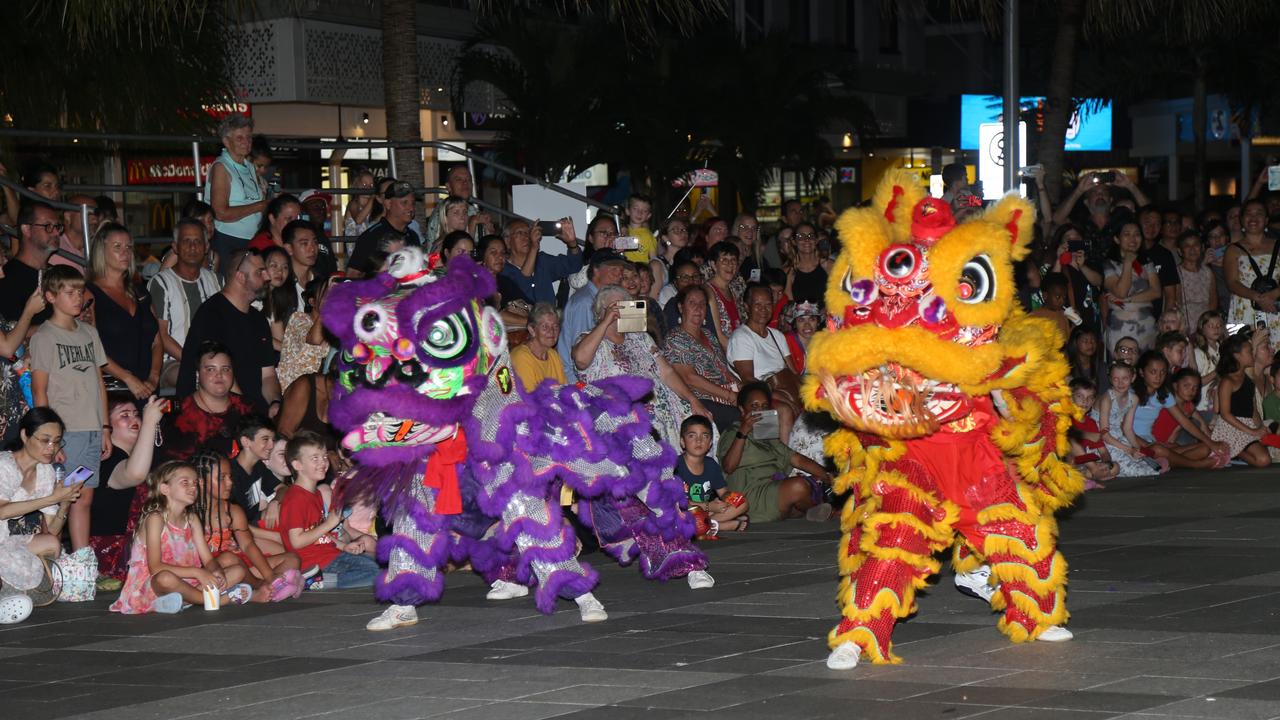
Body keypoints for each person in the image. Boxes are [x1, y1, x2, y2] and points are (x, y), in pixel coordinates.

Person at [28, 265, 110, 552]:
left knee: (83, 496)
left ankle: (81, 560)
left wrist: (105, 427)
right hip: (67, 430)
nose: (78, 297)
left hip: (90, 429)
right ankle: (53, 557)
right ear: (50, 296)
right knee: (61, 497)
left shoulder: (89, 333)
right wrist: (51, 438)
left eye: (80, 291)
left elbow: (99, 382)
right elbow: (39, 390)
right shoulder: (44, 337)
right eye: (70, 292)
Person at [572, 285, 710, 447]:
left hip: (662, 404)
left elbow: (666, 372)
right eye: (615, 307)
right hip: (623, 412)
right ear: (601, 311)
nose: (620, 311)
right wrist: (606, 322)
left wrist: (692, 399)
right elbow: (580, 360)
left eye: (625, 306)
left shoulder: (640, 337)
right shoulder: (590, 338)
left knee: (701, 421)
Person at [109, 461, 254, 614]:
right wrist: (198, 572)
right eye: (185, 482)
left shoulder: (192, 519)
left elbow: (208, 560)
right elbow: (155, 567)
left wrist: (216, 571)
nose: (193, 487)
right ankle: (213, 599)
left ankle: (180, 601)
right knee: (165, 578)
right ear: (165, 489)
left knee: (238, 570)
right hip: (152, 585)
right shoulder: (155, 518)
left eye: (195, 483)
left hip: (187, 582)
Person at [0, 409, 82, 625]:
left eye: (56, 442)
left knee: (52, 543)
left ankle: (12, 595)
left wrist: (64, 502)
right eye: (45, 440)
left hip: (6, 539)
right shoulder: (4, 465)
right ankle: (7, 598)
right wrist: (49, 499)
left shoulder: (45, 471)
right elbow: (1, 511)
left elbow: (53, 530)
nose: (51, 448)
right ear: (25, 435)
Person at [177, 249, 280, 415]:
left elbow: (268, 375)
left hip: (251, 411)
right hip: (214, 412)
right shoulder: (212, 315)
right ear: (240, 277)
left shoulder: (258, 319)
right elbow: (220, 378)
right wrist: (251, 415)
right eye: (260, 272)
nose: (268, 277)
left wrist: (275, 403)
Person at [192, 449, 301, 602]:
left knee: (292, 559)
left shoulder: (233, 511)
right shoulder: (190, 513)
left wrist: (269, 574)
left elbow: (248, 545)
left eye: (230, 477)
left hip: (239, 566)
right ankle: (264, 586)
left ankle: (267, 585)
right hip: (212, 570)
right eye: (222, 478)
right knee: (230, 559)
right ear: (201, 482)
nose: (229, 483)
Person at [277, 432, 380, 589]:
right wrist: (330, 523)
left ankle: (320, 579)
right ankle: (314, 581)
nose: (323, 462)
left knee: (375, 563)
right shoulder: (296, 498)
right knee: (374, 572)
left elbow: (320, 535)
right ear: (297, 465)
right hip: (314, 561)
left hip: (328, 555)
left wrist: (343, 546)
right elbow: (297, 541)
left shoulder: (315, 494)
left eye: (324, 457)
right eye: (315, 458)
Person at [718, 383, 832, 523]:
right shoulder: (733, 432)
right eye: (754, 406)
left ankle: (808, 509)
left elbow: (796, 459)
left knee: (813, 480)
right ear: (742, 410)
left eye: (764, 407)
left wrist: (827, 476)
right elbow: (728, 467)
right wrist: (743, 431)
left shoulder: (767, 435)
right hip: (749, 495)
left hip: (773, 487)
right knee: (798, 486)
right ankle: (818, 510)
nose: (760, 411)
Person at [89, 396, 164, 585]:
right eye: (124, 415)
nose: (134, 419)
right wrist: (149, 423)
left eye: (136, 415)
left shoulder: (145, 457)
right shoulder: (105, 459)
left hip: (140, 546)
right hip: (113, 553)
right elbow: (134, 474)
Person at [86, 223, 161, 399]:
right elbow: (91, 348)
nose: (125, 252)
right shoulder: (89, 293)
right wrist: (127, 377)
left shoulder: (141, 291)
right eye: (117, 247)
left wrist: (154, 376)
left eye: (128, 247)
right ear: (101, 251)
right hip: (112, 389)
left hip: (147, 386)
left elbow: (157, 341)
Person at [150, 218, 222, 391]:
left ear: (206, 247)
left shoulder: (216, 281)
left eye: (197, 241)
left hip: (214, 360)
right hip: (174, 361)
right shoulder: (161, 283)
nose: (192, 247)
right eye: (186, 241)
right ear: (175, 247)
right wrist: (195, 362)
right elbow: (161, 335)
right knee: (193, 377)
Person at [1126, 351, 1225, 469]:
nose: (1158, 377)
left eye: (1162, 372)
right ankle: (1196, 465)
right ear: (1142, 372)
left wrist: (1211, 443)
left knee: (1204, 448)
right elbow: (1122, 428)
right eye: (1153, 372)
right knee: (1159, 449)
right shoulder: (1130, 394)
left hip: (1152, 443)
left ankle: (1167, 462)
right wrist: (1147, 444)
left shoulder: (1163, 395)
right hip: (1131, 442)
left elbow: (1185, 422)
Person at [159, 341, 255, 463]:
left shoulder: (247, 408)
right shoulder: (176, 412)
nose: (219, 375)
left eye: (225, 369)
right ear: (198, 374)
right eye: (211, 369)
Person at [662, 285, 741, 432]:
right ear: (681, 307)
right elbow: (689, 378)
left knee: (762, 405)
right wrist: (730, 396)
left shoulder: (709, 335)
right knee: (741, 417)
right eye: (692, 303)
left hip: (726, 392)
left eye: (702, 303)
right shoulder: (676, 338)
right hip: (702, 399)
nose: (698, 308)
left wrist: (742, 389)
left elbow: (723, 370)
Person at [728, 284, 803, 427]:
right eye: (758, 304)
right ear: (746, 307)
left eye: (768, 304)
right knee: (784, 410)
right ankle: (782, 449)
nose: (764, 309)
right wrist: (774, 395)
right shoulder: (742, 337)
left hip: (785, 388)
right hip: (759, 395)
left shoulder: (777, 335)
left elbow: (793, 372)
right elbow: (748, 379)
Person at [205, 114, 268, 269]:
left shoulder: (250, 166)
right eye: (240, 138)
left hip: (251, 240)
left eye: (249, 137)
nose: (246, 142)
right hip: (228, 240)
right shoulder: (221, 167)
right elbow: (220, 213)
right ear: (226, 141)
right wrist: (259, 206)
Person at [558, 249, 627, 384]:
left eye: (621, 270)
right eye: (614, 269)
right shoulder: (586, 302)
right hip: (580, 382)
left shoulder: (601, 299)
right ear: (596, 270)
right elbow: (578, 351)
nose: (620, 275)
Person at [677, 415, 747, 536]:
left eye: (705, 436)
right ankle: (720, 525)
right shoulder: (676, 466)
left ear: (710, 443)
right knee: (681, 515)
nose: (699, 441)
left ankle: (708, 525)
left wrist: (727, 499)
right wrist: (709, 506)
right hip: (684, 511)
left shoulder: (711, 465)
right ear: (683, 442)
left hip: (705, 512)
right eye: (692, 436)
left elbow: (723, 492)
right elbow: (678, 503)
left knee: (742, 503)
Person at [1210, 333, 1273, 467]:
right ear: (1237, 355)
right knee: (1264, 460)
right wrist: (1252, 432)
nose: (1252, 354)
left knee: (1275, 441)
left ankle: (1239, 450)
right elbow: (1225, 414)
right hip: (1232, 428)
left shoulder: (1248, 381)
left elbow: (1253, 410)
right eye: (1249, 351)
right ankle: (1236, 453)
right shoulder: (1227, 381)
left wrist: (1261, 428)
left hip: (1248, 426)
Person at [1225, 200, 1280, 350]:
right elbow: (1232, 282)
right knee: (1244, 356)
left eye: (1259, 213)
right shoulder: (1233, 250)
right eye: (1248, 213)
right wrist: (1259, 298)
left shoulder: (1278, 245)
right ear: (1242, 220)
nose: (1253, 217)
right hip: (1245, 306)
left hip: (1274, 305)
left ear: (1267, 220)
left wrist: (1272, 295)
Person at [1103, 215, 1162, 353]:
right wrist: (1128, 262)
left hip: (1146, 327)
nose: (1133, 239)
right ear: (1117, 239)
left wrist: (1127, 300)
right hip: (1121, 327)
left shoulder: (1147, 262)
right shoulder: (1108, 264)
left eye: (1137, 235)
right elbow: (1120, 291)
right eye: (1127, 235)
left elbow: (1156, 291)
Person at [1095, 361, 1165, 477]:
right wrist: (1129, 449)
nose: (1120, 383)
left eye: (1125, 378)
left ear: (1133, 378)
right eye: (1116, 379)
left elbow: (1127, 428)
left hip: (1118, 435)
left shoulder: (1133, 398)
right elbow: (1104, 434)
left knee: (1140, 459)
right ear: (1110, 379)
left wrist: (1137, 448)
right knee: (1131, 467)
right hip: (1100, 439)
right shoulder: (1107, 399)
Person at [0, 201, 59, 324]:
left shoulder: (59, 274)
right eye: (48, 226)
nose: (56, 233)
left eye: (58, 227)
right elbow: (9, 335)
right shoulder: (6, 278)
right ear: (27, 229)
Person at [347, 180, 421, 277]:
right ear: (388, 204)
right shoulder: (372, 237)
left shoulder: (413, 236)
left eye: (413, 203)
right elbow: (352, 275)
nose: (411, 208)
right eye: (404, 203)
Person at [501, 218, 582, 305]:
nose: (526, 237)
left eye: (528, 233)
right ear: (507, 241)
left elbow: (574, 265)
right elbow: (522, 288)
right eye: (520, 233)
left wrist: (572, 243)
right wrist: (534, 248)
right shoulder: (502, 269)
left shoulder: (542, 260)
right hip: (521, 318)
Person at [278, 276, 333, 392]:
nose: (332, 298)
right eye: (327, 294)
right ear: (312, 301)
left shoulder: (334, 327)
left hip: (319, 392)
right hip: (293, 392)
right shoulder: (299, 319)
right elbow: (314, 341)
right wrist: (327, 307)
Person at [1067, 379, 1119, 488]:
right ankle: (1093, 473)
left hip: (1082, 464)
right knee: (1070, 440)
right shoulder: (1064, 417)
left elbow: (1103, 452)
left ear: (1093, 401)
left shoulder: (1091, 423)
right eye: (1080, 396)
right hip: (1065, 462)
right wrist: (1086, 435)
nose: (1085, 401)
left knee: (1115, 467)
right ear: (1069, 398)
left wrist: (1106, 463)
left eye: (1090, 398)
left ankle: (1086, 477)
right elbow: (1067, 435)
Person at [424, 166, 487, 253]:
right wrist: (472, 225)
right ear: (448, 187)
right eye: (459, 180)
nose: (465, 183)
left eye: (468, 179)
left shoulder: (474, 210)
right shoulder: (441, 212)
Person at [509, 302, 566, 391]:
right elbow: (530, 400)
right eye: (545, 327)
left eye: (555, 326)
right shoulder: (521, 357)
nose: (551, 331)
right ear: (532, 330)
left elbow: (563, 391)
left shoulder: (553, 355)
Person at [1175, 230, 1217, 335]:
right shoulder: (1176, 272)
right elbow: (1177, 303)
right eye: (1187, 246)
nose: (1192, 249)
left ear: (1202, 248)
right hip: (1185, 324)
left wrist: (1208, 324)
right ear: (1180, 251)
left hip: (1205, 324)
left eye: (1196, 245)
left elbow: (1213, 301)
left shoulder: (1207, 272)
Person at [784, 222, 832, 307]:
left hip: (828, 318)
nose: (807, 239)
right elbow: (789, 306)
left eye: (811, 236)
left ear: (816, 240)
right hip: (800, 319)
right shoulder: (788, 271)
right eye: (801, 236)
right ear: (794, 241)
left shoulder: (829, 266)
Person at [705, 241, 741, 349]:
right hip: (722, 352)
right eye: (724, 260)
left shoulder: (734, 289)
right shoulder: (708, 290)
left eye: (733, 260)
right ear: (713, 264)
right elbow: (718, 335)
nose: (730, 265)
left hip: (737, 347)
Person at [652, 218, 690, 304]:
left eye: (684, 230)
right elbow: (653, 300)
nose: (682, 233)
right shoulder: (657, 265)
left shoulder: (688, 263)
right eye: (676, 230)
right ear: (665, 238)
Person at [343, 168, 379, 237]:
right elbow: (358, 220)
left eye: (371, 185)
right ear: (356, 186)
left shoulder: (375, 205)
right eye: (364, 184)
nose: (368, 188)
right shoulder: (353, 204)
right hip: (355, 245)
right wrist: (372, 199)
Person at [622, 194, 657, 263]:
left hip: (641, 269)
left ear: (648, 216)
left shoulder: (648, 235)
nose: (639, 213)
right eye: (635, 208)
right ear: (627, 211)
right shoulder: (621, 229)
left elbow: (654, 258)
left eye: (644, 211)